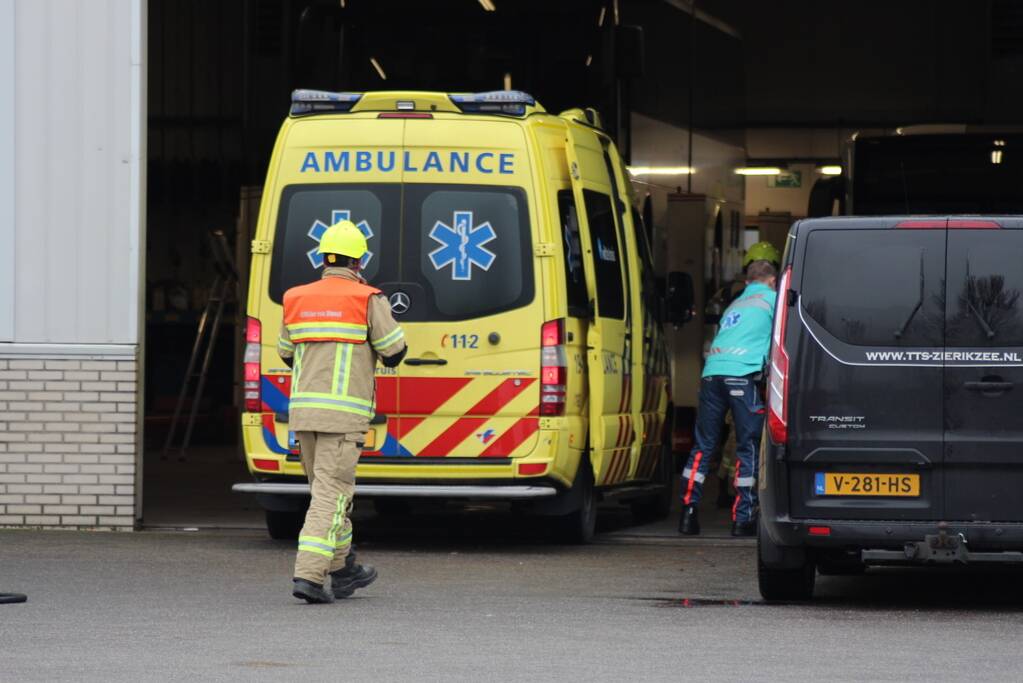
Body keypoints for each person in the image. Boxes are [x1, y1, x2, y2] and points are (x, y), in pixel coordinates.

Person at [278, 220, 408, 604]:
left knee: (330, 492)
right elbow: (395, 350)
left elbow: (286, 353)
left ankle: (344, 568)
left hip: (303, 414)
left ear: (323, 257)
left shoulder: (295, 298)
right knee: (330, 494)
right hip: (343, 417)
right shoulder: (367, 298)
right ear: (359, 260)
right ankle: (310, 575)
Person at [679, 259, 777, 537]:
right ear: (772, 281)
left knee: (703, 446)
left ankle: (688, 514)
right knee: (747, 445)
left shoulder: (735, 304)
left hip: (712, 374)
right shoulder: (773, 300)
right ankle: (742, 519)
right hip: (742, 375)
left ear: (747, 282)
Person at [705, 241, 781, 509]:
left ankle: (721, 488)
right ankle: (743, 502)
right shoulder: (772, 298)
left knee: (728, 438)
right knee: (746, 439)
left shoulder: (734, 296)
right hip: (748, 376)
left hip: (718, 371)